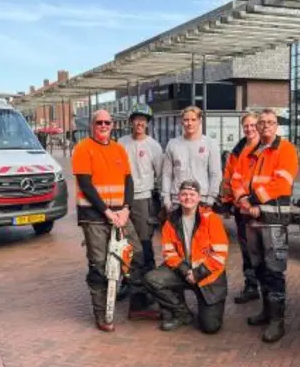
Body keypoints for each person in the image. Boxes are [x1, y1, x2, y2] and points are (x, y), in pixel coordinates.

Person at [71, 109, 161, 332]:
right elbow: (86, 184)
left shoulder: (118, 149)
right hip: (94, 217)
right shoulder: (83, 149)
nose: (103, 126)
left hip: (120, 214)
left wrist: (126, 209)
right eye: (99, 122)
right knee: (99, 265)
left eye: (107, 122)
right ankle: (102, 314)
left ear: (112, 125)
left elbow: (128, 181)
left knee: (137, 255)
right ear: (92, 125)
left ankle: (137, 305)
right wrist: (107, 212)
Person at [231, 109, 299, 343]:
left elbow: (283, 183)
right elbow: (236, 178)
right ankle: (266, 311)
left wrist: (252, 199)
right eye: (262, 123)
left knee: (274, 270)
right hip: (252, 218)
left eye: (270, 122)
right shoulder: (250, 151)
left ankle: (277, 321)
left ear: (276, 125)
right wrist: (241, 200)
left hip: (273, 220)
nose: (265, 126)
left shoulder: (286, 149)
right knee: (258, 266)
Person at [143, 179, 228, 334]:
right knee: (152, 279)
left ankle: (204, 307)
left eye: (192, 194)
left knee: (210, 327)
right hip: (183, 270)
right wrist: (184, 270)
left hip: (208, 275)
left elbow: (220, 255)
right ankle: (181, 313)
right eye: (184, 194)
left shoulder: (211, 219)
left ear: (199, 197)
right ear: (178, 197)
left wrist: (197, 274)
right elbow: (169, 253)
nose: (188, 198)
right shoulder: (171, 221)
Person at [116, 103, 163, 300]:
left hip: (144, 200)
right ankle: (128, 282)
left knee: (144, 245)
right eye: (136, 119)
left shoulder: (154, 146)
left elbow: (160, 176)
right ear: (130, 122)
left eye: (143, 120)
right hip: (123, 201)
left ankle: (150, 283)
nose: (139, 123)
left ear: (148, 123)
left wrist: (158, 204)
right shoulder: (121, 143)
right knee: (124, 245)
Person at [220, 111, 261, 304]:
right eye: (246, 126)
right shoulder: (237, 151)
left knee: (265, 249)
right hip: (242, 208)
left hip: (262, 207)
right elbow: (229, 177)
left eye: (253, 125)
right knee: (247, 248)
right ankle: (251, 285)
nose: (249, 129)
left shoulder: (266, 148)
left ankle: (266, 286)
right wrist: (228, 201)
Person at [161, 106, 222, 212]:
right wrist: (166, 199)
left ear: (200, 121)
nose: (189, 123)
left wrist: (211, 198)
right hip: (177, 200)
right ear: (182, 122)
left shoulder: (210, 144)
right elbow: (167, 174)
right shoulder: (173, 144)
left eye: (193, 120)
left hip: (202, 199)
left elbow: (215, 173)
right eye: (186, 120)